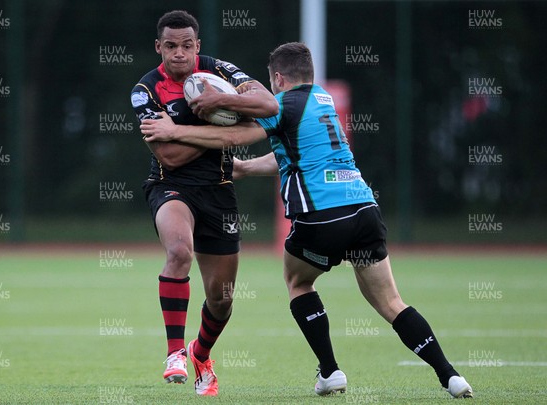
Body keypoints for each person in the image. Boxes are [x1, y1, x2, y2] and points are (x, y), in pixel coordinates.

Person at [140, 42, 474, 399]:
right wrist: (246, 168)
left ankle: (330, 370)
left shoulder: (282, 104)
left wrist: (175, 131)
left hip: (321, 217)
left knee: (298, 282)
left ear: (278, 78)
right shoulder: (323, 100)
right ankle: (451, 376)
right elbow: (290, 153)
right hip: (364, 210)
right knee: (392, 303)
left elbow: (232, 135)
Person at [129, 10, 278, 396]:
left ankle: (201, 353)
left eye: (187, 46)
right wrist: (225, 131)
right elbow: (171, 157)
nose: (179, 53)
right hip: (170, 187)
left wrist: (220, 102)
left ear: (198, 46)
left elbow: (269, 107)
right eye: (171, 46)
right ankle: (175, 352)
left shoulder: (220, 71)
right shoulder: (145, 91)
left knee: (222, 298)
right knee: (179, 251)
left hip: (220, 189)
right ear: (158, 47)